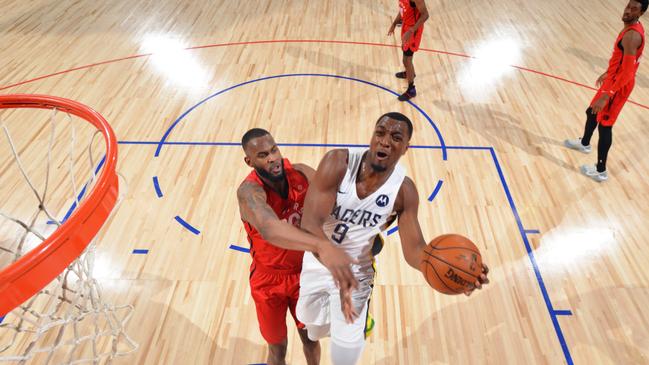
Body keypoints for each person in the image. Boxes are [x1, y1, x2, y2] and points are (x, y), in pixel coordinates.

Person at [296, 113, 490, 365]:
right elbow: (310, 224)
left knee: (344, 354)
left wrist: (453, 272)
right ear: (372, 136)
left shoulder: (403, 192)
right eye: (380, 133)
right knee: (311, 329)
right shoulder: (338, 163)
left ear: (406, 147)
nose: (385, 142)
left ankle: (358, 320)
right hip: (316, 261)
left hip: (356, 275)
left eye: (396, 137)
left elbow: (416, 250)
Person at [237, 128, 359, 365]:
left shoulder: (302, 173)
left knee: (310, 339)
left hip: (305, 275)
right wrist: (321, 246)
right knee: (277, 348)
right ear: (249, 161)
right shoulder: (248, 193)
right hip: (268, 281)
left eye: (274, 150)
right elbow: (270, 229)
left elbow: (340, 201)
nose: (272, 158)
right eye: (263, 155)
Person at [565, 0, 647, 182]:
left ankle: (601, 170)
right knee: (591, 112)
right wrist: (607, 72)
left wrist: (607, 95)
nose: (628, 11)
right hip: (613, 79)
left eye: (634, 9)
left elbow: (626, 72)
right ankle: (585, 143)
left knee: (605, 125)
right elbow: (624, 62)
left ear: (640, 14)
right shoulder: (631, 27)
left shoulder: (632, 36)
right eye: (628, 6)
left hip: (618, 86)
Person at [388, 0, 430, 102]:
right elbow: (403, 9)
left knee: (407, 60)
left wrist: (411, 31)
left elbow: (425, 15)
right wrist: (394, 23)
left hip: (413, 30)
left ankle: (411, 90)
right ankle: (409, 73)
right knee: (405, 58)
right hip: (406, 27)